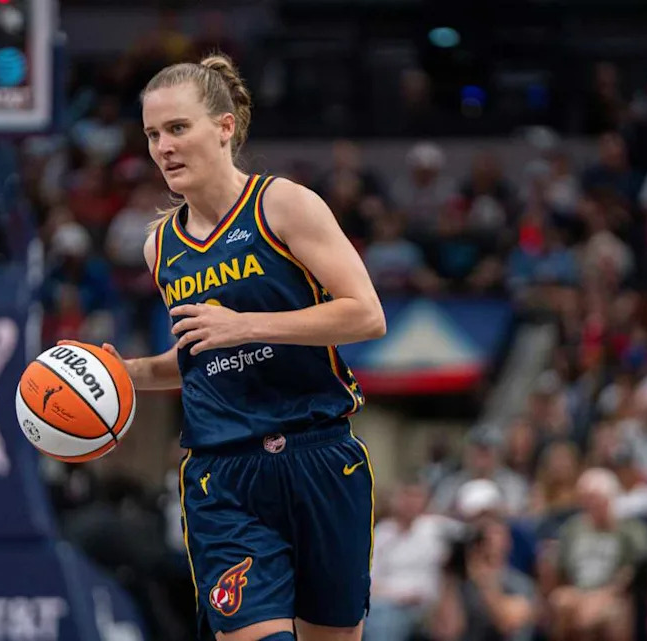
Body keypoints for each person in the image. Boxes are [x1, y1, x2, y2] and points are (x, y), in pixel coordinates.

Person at [64, 52, 385, 641]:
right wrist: (122, 372)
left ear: (224, 127)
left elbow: (366, 315)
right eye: (153, 134)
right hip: (223, 476)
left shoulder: (282, 204)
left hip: (321, 456)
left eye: (178, 128)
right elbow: (201, 357)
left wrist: (249, 325)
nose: (163, 147)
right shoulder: (161, 246)